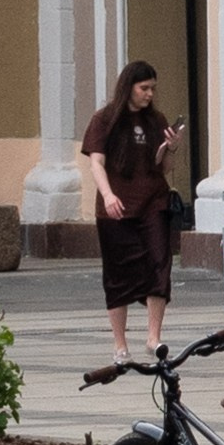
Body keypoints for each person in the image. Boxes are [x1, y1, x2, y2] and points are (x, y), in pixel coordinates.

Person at [81, 60, 182, 356]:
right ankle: (120, 344)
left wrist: (172, 147)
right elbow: (96, 163)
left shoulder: (156, 120)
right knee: (118, 272)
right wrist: (108, 195)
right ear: (129, 87)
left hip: (153, 201)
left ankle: (153, 338)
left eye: (153, 88)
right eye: (144, 88)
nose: (150, 94)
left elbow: (165, 168)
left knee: (159, 265)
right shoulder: (105, 119)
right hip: (117, 206)